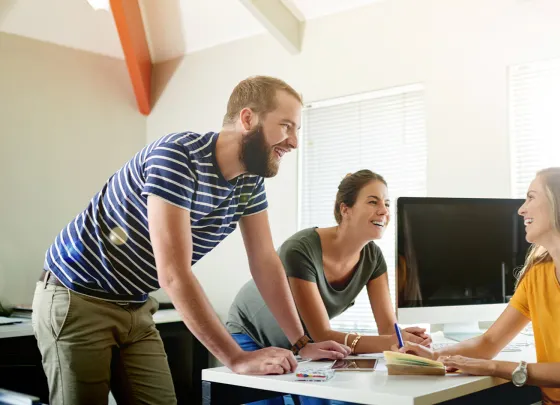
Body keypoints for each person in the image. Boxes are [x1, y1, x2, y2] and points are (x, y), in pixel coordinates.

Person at [31, 75, 348, 405]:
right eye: (286, 126)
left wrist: (300, 342)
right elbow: (173, 273)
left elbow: (265, 261)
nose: (294, 141)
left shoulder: (249, 183)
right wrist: (236, 357)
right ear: (248, 118)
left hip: (136, 305)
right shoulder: (178, 157)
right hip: (77, 297)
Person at [398, 167, 560, 405]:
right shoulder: (538, 273)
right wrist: (434, 357)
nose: (521, 210)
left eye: (530, 198)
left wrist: (494, 367)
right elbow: (489, 342)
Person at [226, 169, 431, 405]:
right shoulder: (300, 249)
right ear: (346, 209)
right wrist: (395, 342)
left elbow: (387, 326)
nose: (384, 211)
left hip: (305, 346)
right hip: (251, 334)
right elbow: (321, 333)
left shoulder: (373, 258)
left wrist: (404, 340)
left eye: (385, 203)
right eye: (373, 201)